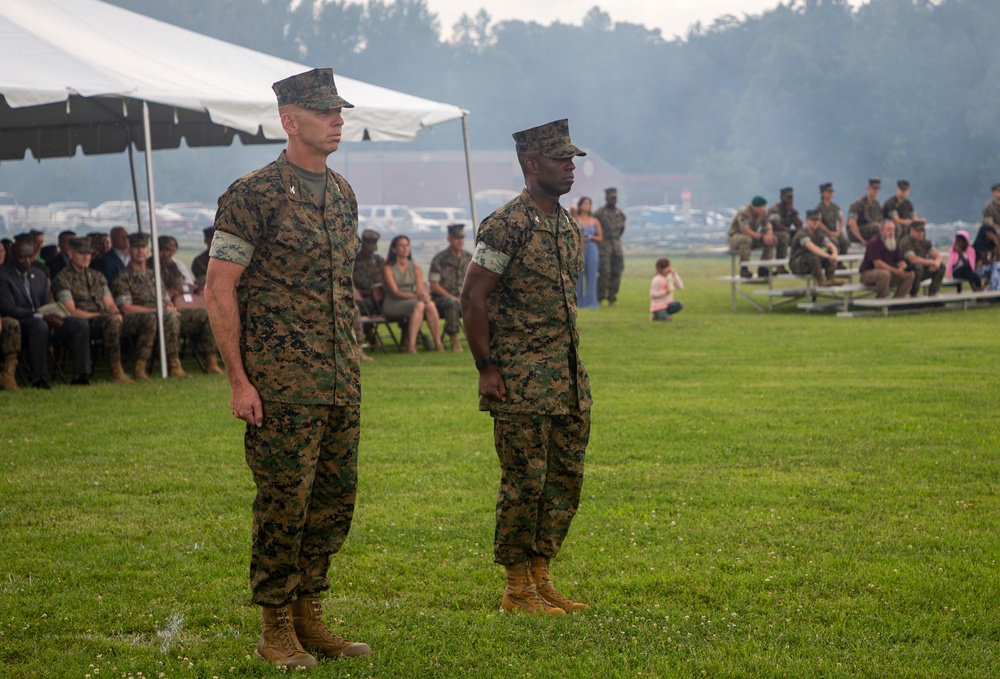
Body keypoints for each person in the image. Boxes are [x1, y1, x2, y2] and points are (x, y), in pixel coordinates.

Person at [205, 67, 370, 669]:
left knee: (333, 501)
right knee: (283, 501)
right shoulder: (254, 193)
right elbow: (219, 290)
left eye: (339, 112)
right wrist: (238, 380)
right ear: (288, 120)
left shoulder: (344, 193)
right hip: (280, 385)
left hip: (338, 379)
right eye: (325, 112)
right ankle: (275, 626)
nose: (337, 121)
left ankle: (309, 617)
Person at [461, 118, 591, 616]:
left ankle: (541, 577)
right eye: (561, 159)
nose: (570, 168)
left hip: (567, 381)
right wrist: (487, 368)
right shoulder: (506, 224)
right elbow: (473, 298)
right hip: (519, 381)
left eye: (572, 159)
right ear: (531, 164)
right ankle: (517, 587)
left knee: (564, 481)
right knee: (525, 481)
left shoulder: (565, 224)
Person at [0, 240, 91, 388]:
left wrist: (55, 313)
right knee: (40, 325)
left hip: (44, 318)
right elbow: (8, 308)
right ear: (12, 256)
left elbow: (45, 303)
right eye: (22, 257)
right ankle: (39, 378)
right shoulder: (3, 275)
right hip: (21, 322)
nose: (27, 261)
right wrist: (41, 316)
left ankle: (80, 375)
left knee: (79, 324)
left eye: (30, 257)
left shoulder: (39, 274)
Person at [51, 237, 141, 383]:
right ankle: (116, 370)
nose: (86, 257)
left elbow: (110, 303)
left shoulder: (97, 276)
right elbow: (70, 311)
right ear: (70, 253)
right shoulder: (63, 278)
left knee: (127, 318)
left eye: (89, 253)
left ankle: (140, 368)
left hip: (103, 319)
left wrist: (115, 312)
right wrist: (100, 316)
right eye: (81, 253)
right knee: (111, 320)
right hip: (81, 322)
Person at [111, 232, 192, 380]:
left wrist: (169, 306)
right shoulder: (122, 277)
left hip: (160, 314)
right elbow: (125, 308)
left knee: (189, 315)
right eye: (136, 248)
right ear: (129, 250)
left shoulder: (153, 275)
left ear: (148, 250)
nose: (140, 251)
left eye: (143, 247)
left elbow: (165, 298)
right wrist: (157, 310)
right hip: (135, 318)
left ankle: (179, 365)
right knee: (153, 318)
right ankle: (140, 368)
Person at [381, 234, 443, 353]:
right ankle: (411, 345)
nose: (405, 248)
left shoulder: (416, 267)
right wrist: (416, 296)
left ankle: (438, 343)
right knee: (419, 305)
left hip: (412, 300)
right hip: (394, 302)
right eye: (401, 245)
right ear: (394, 249)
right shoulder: (388, 268)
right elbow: (395, 292)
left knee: (430, 305)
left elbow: (419, 289)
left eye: (407, 245)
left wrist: (423, 294)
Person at [428, 223, 472, 351]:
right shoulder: (440, 259)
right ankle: (454, 340)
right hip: (442, 300)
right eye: (456, 238)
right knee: (451, 302)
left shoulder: (469, 258)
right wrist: (453, 297)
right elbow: (434, 286)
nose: (460, 241)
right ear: (449, 239)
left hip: (465, 299)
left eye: (462, 238)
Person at [858, 220, 915, 298]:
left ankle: (898, 301)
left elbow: (899, 260)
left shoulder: (894, 243)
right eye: (888, 229)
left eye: (893, 230)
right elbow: (877, 264)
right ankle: (881, 301)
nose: (891, 232)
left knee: (910, 274)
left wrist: (903, 266)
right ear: (881, 231)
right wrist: (896, 271)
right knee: (884, 274)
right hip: (868, 273)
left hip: (889, 273)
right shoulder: (873, 243)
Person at [788, 209, 842, 286]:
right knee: (813, 256)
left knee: (827, 253)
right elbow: (811, 247)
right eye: (813, 220)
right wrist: (829, 256)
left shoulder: (819, 233)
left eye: (817, 220)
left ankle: (830, 279)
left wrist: (834, 254)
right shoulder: (802, 233)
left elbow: (830, 245)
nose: (815, 222)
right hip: (798, 263)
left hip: (811, 262)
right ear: (807, 221)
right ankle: (821, 281)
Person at [727, 196, 774, 278]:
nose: (762, 209)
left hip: (752, 237)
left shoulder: (763, 213)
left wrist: (769, 236)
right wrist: (761, 237)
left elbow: (768, 226)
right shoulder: (744, 212)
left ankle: (764, 267)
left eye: (763, 207)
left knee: (773, 240)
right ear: (754, 207)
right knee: (746, 239)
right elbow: (745, 230)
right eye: (760, 207)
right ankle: (744, 268)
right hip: (735, 237)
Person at [594, 186, 625, 306]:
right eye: (611, 198)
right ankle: (599, 297)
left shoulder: (620, 214)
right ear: (606, 198)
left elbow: (621, 230)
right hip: (604, 247)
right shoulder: (599, 214)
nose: (613, 200)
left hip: (617, 247)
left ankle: (612, 298)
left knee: (617, 272)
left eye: (615, 198)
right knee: (604, 273)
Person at [898, 221, 945, 296]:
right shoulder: (906, 242)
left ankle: (933, 293)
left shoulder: (925, 242)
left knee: (941, 266)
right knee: (918, 267)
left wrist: (936, 263)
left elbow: (937, 255)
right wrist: (931, 262)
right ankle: (913, 294)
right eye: (917, 231)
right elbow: (913, 259)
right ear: (911, 231)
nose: (920, 233)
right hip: (909, 271)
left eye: (922, 231)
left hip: (923, 270)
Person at [573, 196, 602, 308]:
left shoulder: (595, 221)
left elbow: (600, 238)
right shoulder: (576, 219)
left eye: (589, 204)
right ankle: (579, 301)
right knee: (578, 276)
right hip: (579, 249)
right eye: (585, 203)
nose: (587, 206)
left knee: (592, 276)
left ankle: (591, 302)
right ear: (580, 205)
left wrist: (591, 237)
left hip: (592, 249)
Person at [0, 243, 21, 391]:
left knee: (12, 325)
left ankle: (7, 375)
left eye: (1, 251)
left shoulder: (8, 273)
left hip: (4, 316)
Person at [766, 187, 801, 272]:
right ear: (782, 198)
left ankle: (797, 264)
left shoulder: (791, 210)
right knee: (784, 236)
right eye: (788, 198)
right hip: (774, 234)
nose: (790, 200)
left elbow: (799, 225)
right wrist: (791, 231)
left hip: (787, 233)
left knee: (801, 236)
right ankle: (780, 266)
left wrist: (794, 213)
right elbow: (776, 225)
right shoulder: (775, 209)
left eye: (791, 198)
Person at [815, 183, 849, 255]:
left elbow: (841, 220)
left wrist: (839, 231)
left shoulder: (835, 207)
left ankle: (840, 262)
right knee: (834, 242)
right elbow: (819, 223)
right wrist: (830, 232)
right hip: (824, 233)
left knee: (845, 242)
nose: (830, 194)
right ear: (822, 193)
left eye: (831, 192)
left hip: (835, 230)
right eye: (828, 192)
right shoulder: (819, 208)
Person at [847, 178, 883, 245]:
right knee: (876, 227)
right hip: (856, 233)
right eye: (873, 188)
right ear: (868, 189)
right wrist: (862, 240)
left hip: (871, 231)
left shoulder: (876, 204)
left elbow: (880, 220)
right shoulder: (858, 203)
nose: (875, 191)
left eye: (877, 189)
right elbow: (852, 223)